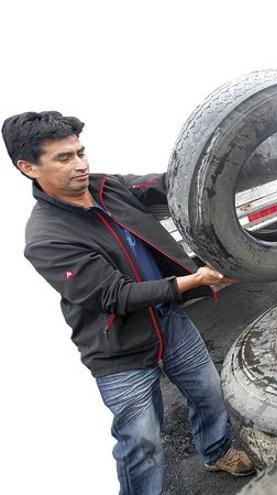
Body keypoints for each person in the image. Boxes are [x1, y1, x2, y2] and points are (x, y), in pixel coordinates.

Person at [3, 111, 255, 495]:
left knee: (209, 392)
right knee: (143, 444)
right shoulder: (46, 238)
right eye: (64, 158)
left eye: (81, 152)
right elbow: (115, 296)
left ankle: (216, 450)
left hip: (170, 322)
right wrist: (196, 279)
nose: (81, 164)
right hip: (118, 350)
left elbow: (172, 188)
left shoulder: (108, 187)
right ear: (27, 167)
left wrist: (229, 165)